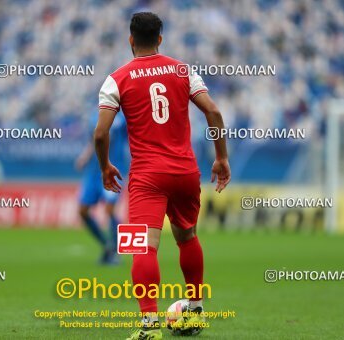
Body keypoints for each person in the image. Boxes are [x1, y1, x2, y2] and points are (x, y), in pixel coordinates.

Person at [94, 12, 230, 339]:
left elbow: (100, 134)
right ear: (160, 38)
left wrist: (105, 166)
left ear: (130, 40)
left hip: (147, 175)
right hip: (185, 170)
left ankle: (149, 327)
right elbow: (213, 111)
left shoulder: (117, 78)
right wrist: (222, 157)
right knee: (188, 238)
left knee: (143, 247)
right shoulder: (183, 70)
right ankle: (195, 310)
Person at [76, 111, 129, 264]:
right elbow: (93, 140)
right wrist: (85, 156)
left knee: (110, 210)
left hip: (114, 168)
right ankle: (107, 246)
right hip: (93, 171)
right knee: (82, 210)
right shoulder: (95, 114)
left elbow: (109, 137)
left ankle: (115, 254)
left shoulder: (122, 118)